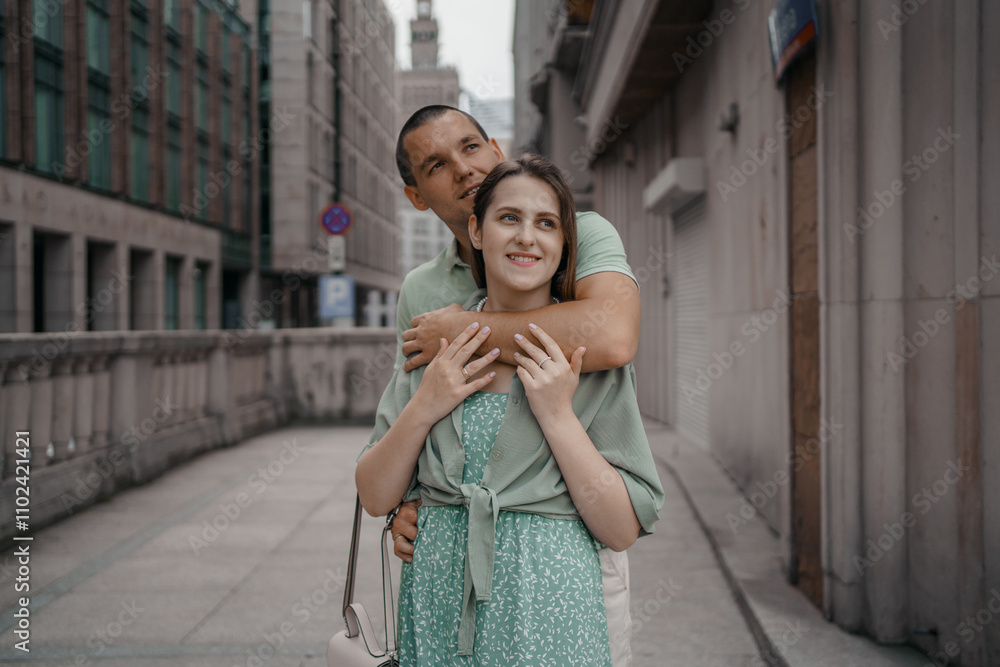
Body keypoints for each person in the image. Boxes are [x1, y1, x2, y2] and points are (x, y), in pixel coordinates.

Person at [356, 154, 663, 665]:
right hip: (435, 608)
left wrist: (558, 416)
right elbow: (373, 494)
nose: (527, 237)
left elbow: (621, 529)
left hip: (552, 611)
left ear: (565, 245)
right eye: (508, 218)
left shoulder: (588, 364)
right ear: (476, 231)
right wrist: (426, 405)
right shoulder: (437, 347)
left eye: (546, 223)